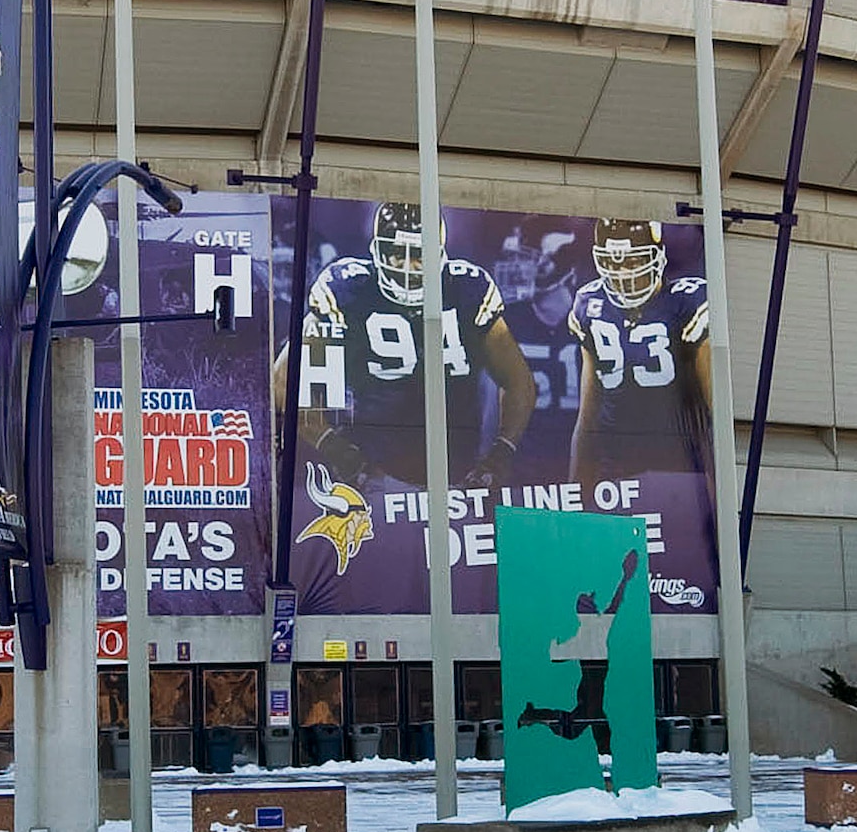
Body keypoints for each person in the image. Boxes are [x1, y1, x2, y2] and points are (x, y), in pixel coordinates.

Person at [293, 201, 534, 582]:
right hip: (373, 479)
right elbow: (287, 383)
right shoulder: (346, 289)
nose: (406, 267)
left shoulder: (467, 288)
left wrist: (501, 452)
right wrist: (337, 447)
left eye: (418, 255)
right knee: (381, 583)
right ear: (376, 251)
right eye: (395, 253)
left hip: (459, 479)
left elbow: (518, 380)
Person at [557, 217, 718, 502]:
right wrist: (575, 490)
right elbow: (588, 416)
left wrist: (716, 491)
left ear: (656, 259)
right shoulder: (590, 304)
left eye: (633, 263)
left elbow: (714, 410)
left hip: (676, 466)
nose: (623, 275)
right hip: (614, 468)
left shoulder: (687, 301)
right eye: (613, 264)